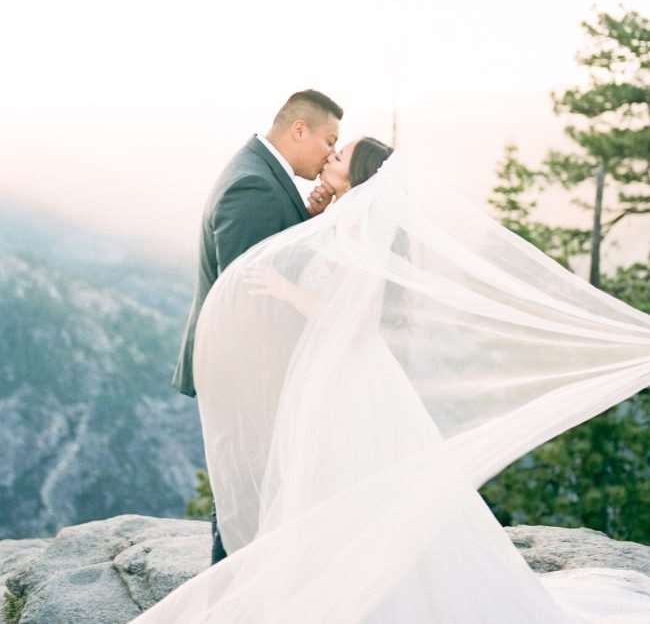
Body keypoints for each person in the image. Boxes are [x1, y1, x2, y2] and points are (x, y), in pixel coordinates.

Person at [138, 138, 650, 623]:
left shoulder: (360, 229)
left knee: (347, 485)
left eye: (340, 155)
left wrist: (283, 289)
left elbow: (354, 317)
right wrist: (319, 217)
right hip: (346, 376)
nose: (330, 157)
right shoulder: (352, 221)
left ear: (356, 177)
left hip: (350, 380)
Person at [171, 88, 343, 564]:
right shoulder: (254, 185)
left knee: (255, 487)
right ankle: (232, 594)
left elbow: (270, 260)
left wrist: (307, 220)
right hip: (246, 369)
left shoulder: (260, 174)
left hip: (250, 367)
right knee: (244, 492)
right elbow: (245, 298)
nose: (331, 152)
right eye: (329, 140)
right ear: (299, 129)